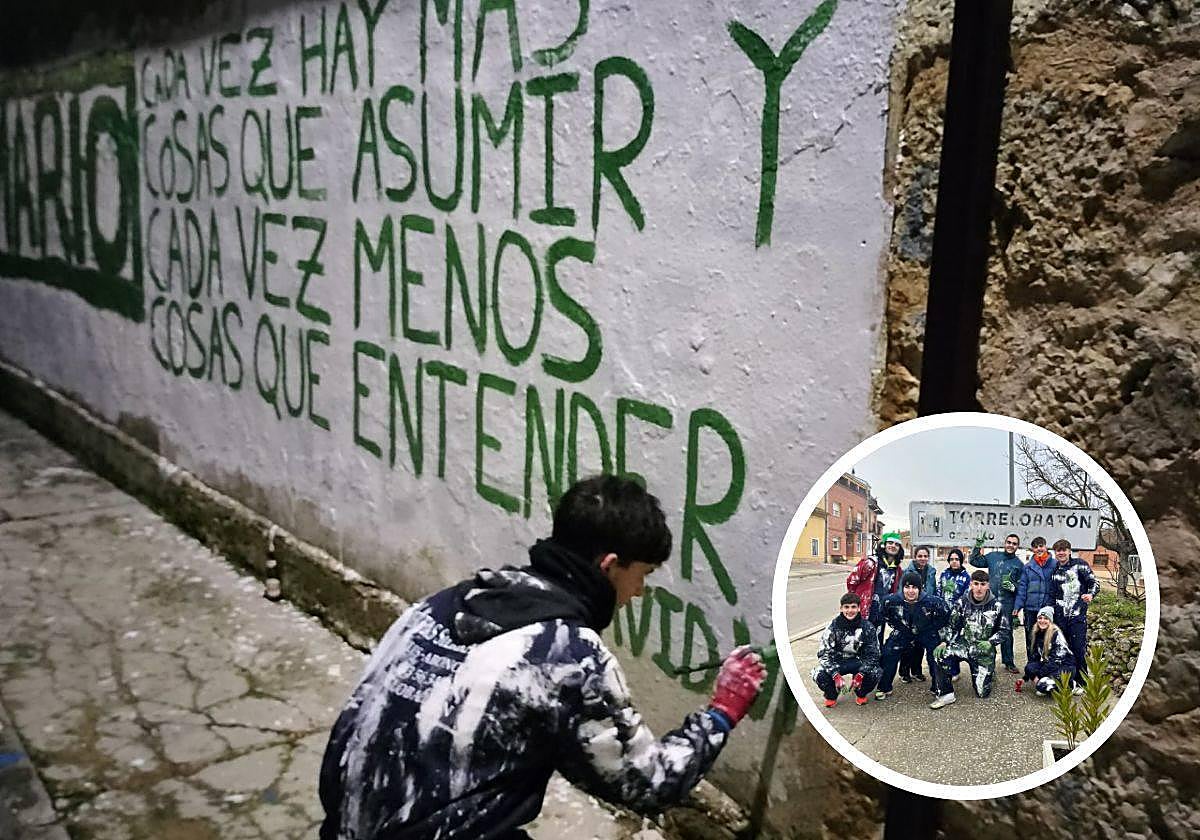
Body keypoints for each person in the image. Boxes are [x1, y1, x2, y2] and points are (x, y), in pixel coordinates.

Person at [318, 475, 768, 840]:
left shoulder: (444, 603)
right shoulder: (564, 654)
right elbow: (648, 784)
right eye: (642, 575)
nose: (639, 592)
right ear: (609, 565)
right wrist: (721, 713)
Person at [930, 570, 1009, 708]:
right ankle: (946, 694)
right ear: (971, 584)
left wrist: (991, 642)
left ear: (988, 586)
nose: (979, 588)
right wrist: (944, 641)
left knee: (982, 693)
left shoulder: (997, 606)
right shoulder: (962, 602)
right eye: (976, 584)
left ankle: (989, 673)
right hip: (964, 645)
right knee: (940, 655)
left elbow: (1005, 630)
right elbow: (952, 625)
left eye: (982, 584)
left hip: (983, 651)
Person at [873, 572, 949, 700]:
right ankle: (884, 687)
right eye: (907, 587)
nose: (911, 591)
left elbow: (946, 615)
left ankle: (938, 686)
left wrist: (934, 628)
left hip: (926, 631)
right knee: (889, 652)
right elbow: (884, 614)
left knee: (936, 655)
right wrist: (897, 625)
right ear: (902, 588)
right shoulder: (891, 600)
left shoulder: (932, 601)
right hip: (903, 631)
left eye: (914, 587)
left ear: (920, 588)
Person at [812, 593, 881, 707]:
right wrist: (835, 674)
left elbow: (874, 654)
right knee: (819, 674)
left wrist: (861, 673)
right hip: (837, 661)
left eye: (853, 607)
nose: (850, 610)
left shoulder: (867, 627)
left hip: (859, 660)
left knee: (876, 672)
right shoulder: (832, 627)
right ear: (841, 608)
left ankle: (860, 692)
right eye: (846, 607)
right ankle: (832, 694)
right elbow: (823, 654)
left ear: (859, 608)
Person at [1049, 538, 1100, 691]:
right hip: (1060, 617)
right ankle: (1068, 681)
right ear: (1055, 553)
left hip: (1077, 617)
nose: (1061, 553)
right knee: (1063, 650)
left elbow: (1094, 583)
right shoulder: (1055, 570)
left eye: (1064, 550)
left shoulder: (1080, 565)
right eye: (1058, 551)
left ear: (1069, 551)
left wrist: (1090, 595)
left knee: (1078, 649)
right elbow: (1052, 594)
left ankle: (1082, 683)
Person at [970, 533, 1023, 673]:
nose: (1011, 545)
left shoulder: (1019, 564)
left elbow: (1021, 587)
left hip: (1007, 603)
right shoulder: (993, 556)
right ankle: (988, 662)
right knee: (988, 631)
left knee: (1007, 633)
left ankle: (1008, 662)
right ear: (1005, 543)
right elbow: (974, 561)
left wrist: (1013, 587)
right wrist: (978, 545)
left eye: (1014, 543)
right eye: (1009, 542)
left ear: (1017, 546)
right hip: (990, 602)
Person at [898, 545, 939, 682]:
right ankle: (904, 672)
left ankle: (916, 671)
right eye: (920, 556)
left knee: (920, 644)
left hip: (925, 612)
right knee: (908, 643)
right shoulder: (907, 572)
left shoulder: (931, 572)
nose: (923, 558)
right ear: (915, 557)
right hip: (909, 611)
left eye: (925, 556)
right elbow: (901, 591)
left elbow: (933, 590)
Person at [1013, 536, 1056, 661]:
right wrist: (1017, 606)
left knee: (1049, 638)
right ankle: (1032, 664)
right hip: (1031, 608)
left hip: (1047, 608)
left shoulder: (1055, 564)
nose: (1039, 549)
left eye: (1041, 546)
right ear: (1032, 549)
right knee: (1031, 638)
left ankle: (1048, 664)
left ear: (1046, 547)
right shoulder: (1028, 567)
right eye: (1036, 547)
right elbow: (1022, 588)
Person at [1018, 606, 1076, 696]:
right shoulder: (1037, 632)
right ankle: (1046, 683)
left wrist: (1039, 675)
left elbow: (1056, 661)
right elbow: (1034, 657)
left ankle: (1070, 684)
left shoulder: (1056, 634)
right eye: (1040, 618)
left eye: (1046, 618)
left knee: (1042, 686)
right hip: (1050, 664)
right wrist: (1026, 677)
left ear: (1050, 621)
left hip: (1064, 666)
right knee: (1029, 668)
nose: (1042, 621)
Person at [937, 548, 972, 681]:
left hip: (957, 615)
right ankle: (946, 668)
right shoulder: (944, 574)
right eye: (951, 559)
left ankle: (955, 671)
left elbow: (967, 597)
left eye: (957, 559)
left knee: (954, 641)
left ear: (961, 561)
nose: (954, 561)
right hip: (943, 614)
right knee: (944, 641)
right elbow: (938, 591)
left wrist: (958, 609)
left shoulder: (966, 577)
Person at [870, 532, 905, 651]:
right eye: (890, 543)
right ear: (883, 545)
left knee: (877, 640)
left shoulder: (896, 569)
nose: (893, 546)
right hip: (867, 610)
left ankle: (876, 661)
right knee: (864, 641)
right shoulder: (872, 563)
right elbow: (852, 582)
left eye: (896, 544)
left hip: (882, 612)